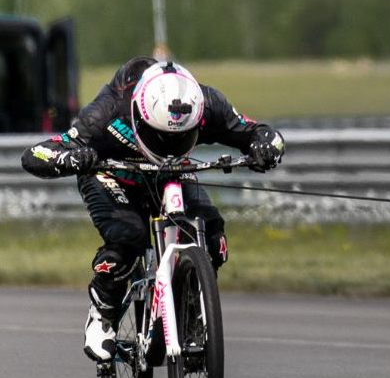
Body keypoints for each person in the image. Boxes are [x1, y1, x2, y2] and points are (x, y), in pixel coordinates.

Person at [21, 57, 285, 362]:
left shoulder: (207, 104)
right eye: (160, 137)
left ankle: (192, 311)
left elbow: (258, 132)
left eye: (180, 137)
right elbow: (36, 154)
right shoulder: (106, 112)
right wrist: (69, 158)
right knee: (128, 237)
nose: (170, 144)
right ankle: (103, 312)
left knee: (212, 235)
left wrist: (265, 146)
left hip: (172, 175)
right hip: (112, 175)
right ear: (138, 116)